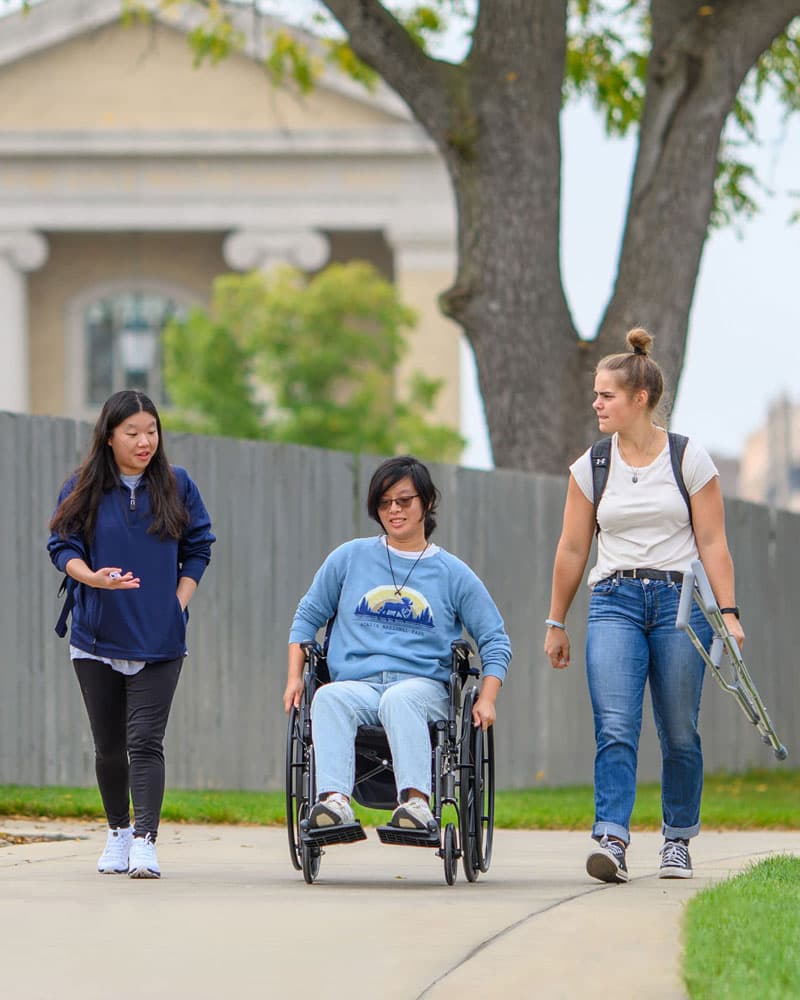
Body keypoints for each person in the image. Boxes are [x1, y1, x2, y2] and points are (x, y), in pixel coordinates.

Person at [544, 328, 745, 883]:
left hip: (681, 604)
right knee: (614, 724)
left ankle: (677, 838)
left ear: (640, 399)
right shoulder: (592, 466)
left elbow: (713, 543)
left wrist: (728, 614)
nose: (597, 404)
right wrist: (556, 620)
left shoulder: (688, 457)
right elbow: (572, 547)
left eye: (606, 395)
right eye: (595, 394)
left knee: (680, 728)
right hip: (614, 601)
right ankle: (612, 836)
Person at [284, 455, 511, 832]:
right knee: (327, 697)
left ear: (426, 503)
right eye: (385, 502)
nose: (394, 510)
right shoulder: (349, 558)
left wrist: (487, 697)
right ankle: (335, 802)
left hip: (423, 689)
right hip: (360, 685)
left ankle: (417, 805)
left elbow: (494, 639)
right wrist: (295, 677)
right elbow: (306, 618)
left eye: (404, 500)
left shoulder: (453, 574)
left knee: (400, 697)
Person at [48, 390, 215, 879]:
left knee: (145, 741)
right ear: (108, 437)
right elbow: (62, 545)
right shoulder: (81, 488)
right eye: (133, 433)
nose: (145, 442)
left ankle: (145, 839)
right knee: (108, 746)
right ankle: (117, 831)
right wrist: (92, 577)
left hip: (160, 640)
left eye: (152, 431)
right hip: (95, 638)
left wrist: (177, 602)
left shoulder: (178, 485)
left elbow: (200, 546)